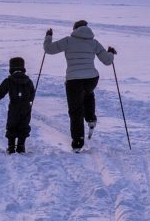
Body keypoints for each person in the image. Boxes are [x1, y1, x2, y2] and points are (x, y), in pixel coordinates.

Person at [43, 20, 116, 152]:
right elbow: (107, 61)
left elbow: (48, 50)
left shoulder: (68, 41)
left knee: (75, 110)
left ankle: (78, 143)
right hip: (92, 78)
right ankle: (91, 119)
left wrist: (48, 36)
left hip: (74, 80)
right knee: (88, 94)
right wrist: (110, 52)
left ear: (75, 29)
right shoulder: (94, 42)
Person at [0, 56, 36, 154]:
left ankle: (11, 147)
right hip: (26, 107)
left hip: (14, 107)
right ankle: (21, 146)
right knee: (24, 125)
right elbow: (32, 95)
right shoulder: (29, 81)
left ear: (11, 68)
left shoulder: (8, 81)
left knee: (12, 125)